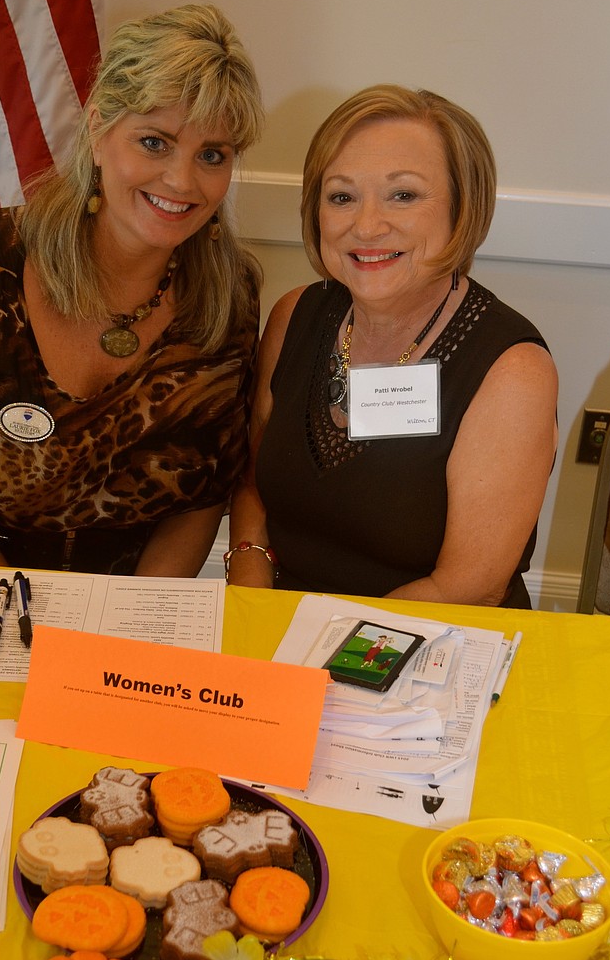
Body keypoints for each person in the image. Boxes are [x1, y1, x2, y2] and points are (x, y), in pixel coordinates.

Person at [0, 4, 263, 575]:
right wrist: (24, 620)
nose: (182, 181)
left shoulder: (229, 292)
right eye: (154, 142)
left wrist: (128, 632)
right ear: (99, 129)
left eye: (213, 155)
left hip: (132, 608)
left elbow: (203, 495)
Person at [226, 84, 558, 608]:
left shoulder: (512, 370)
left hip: (428, 643)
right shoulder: (295, 316)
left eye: (403, 195)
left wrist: (318, 653)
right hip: (285, 628)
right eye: (341, 196)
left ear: (463, 207)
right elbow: (253, 480)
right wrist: (249, 585)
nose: (366, 225)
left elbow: (469, 587)